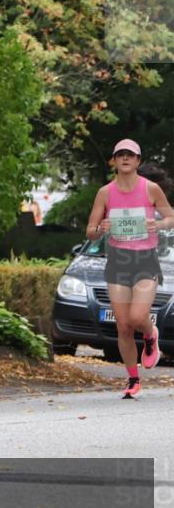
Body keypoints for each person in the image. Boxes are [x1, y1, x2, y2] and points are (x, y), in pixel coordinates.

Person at [86, 139, 174, 399]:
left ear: (137, 161)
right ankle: (133, 379)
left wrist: (157, 225)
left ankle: (150, 334)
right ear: (114, 160)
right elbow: (90, 232)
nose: (125, 158)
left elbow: (171, 217)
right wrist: (99, 229)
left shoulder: (151, 189)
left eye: (130, 155)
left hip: (145, 260)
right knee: (123, 325)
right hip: (118, 261)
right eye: (120, 154)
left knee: (137, 317)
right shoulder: (105, 193)